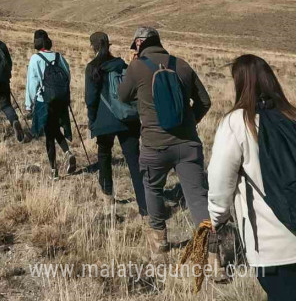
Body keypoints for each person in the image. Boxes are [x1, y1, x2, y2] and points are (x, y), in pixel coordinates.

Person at [118, 26, 212, 258]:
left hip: (154, 144)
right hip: (188, 144)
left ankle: (160, 241)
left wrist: (133, 67)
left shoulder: (137, 67)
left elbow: (122, 96)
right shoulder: (182, 65)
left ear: (140, 43)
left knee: (153, 188)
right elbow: (205, 102)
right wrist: (189, 122)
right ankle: (213, 254)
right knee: (198, 197)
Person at [208, 55, 296, 298]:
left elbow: (219, 182)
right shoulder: (292, 116)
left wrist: (216, 219)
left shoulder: (237, 123)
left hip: (273, 246)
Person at [84, 32, 146, 213]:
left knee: (104, 156)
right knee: (134, 161)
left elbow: (90, 99)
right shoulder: (121, 65)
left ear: (93, 46)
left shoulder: (92, 67)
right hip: (128, 118)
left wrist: (91, 121)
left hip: (105, 120)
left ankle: (108, 197)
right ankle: (144, 206)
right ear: (108, 45)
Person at [26, 29, 75, 179]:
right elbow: (68, 75)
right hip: (60, 101)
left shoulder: (35, 59)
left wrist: (29, 105)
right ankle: (67, 152)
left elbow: (31, 83)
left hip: (44, 101)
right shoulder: (59, 56)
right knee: (54, 130)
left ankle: (54, 171)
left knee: (49, 135)